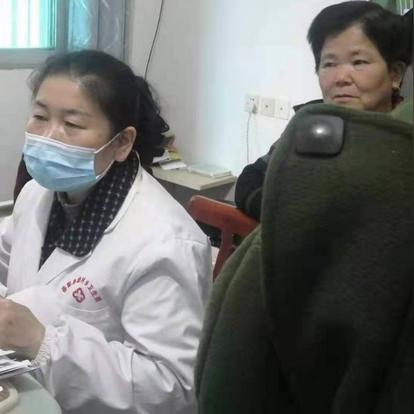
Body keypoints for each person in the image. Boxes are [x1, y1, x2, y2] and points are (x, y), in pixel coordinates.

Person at [0, 50, 212, 414]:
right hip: (31, 390)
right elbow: (8, 261)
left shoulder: (165, 241)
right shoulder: (39, 193)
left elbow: (171, 388)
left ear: (122, 143)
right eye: (40, 116)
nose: (48, 137)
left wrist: (41, 340)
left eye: (72, 124)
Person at [235, 1, 412, 221]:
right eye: (329, 64)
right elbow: (251, 178)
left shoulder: (405, 135)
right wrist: (289, 216)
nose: (341, 78)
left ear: (395, 74)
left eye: (358, 62)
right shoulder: (311, 121)